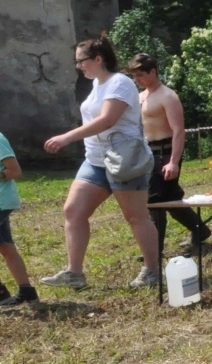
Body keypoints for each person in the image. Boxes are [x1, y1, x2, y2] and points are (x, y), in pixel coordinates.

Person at [40, 34, 161, 290]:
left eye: (81, 61)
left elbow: (107, 120)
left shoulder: (120, 83)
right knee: (73, 211)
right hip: (95, 161)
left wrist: (66, 137)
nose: (78, 66)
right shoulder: (97, 84)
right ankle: (74, 273)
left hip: (124, 160)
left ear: (98, 59)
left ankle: (152, 271)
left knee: (136, 217)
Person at [128, 53, 211, 254]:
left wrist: (173, 161)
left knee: (154, 201)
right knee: (172, 200)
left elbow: (178, 130)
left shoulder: (168, 96)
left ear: (153, 72)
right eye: (134, 76)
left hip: (165, 153)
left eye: (140, 75)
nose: (137, 80)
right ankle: (200, 231)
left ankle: (154, 251)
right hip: (147, 152)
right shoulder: (140, 97)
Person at [0, 130, 38, 308]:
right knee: (6, 247)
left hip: (1, 201)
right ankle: (27, 292)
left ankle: (1, 295)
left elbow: (15, 171)